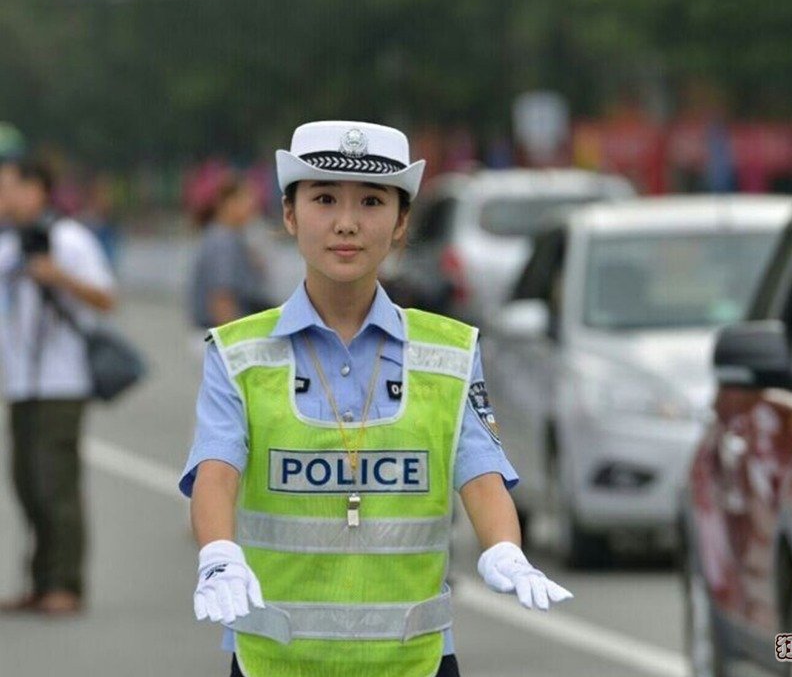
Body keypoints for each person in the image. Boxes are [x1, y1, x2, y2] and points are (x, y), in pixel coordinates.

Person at [180, 121, 572, 677]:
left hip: (414, 663)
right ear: (290, 215)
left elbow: (481, 473)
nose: (346, 223)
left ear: (401, 222)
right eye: (323, 199)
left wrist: (503, 547)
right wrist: (218, 554)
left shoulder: (451, 351)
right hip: (277, 664)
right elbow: (216, 470)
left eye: (371, 201)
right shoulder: (239, 353)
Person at [0, 158, 117, 616]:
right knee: (26, 485)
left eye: (7, 187)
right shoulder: (10, 245)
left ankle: (66, 584)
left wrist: (58, 276)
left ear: (36, 190)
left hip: (61, 383)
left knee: (56, 486)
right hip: (21, 385)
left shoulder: (69, 239)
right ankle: (39, 580)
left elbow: (107, 298)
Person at [188, 170, 273, 333]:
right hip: (221, 335)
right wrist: (238, 343)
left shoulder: (230, 237)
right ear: (226, 203)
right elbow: (222, 300)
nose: (252, 205)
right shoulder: (222, 241)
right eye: (245, 198)